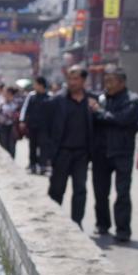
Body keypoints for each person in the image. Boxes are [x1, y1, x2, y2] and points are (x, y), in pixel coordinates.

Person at [90, 66, 138, 242]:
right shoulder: (101, 99)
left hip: (122, 152)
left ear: (121, 82)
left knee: (122, 193)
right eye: (106, 81)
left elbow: (121, 120)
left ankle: (123, 229)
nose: (107, 85)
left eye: (111, 81)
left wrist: (99, 112)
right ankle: (102, 224)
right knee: (100, 192)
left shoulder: (132, 100)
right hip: (101, 153)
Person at [48, 65, 94, 229]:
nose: (72, 82)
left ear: (83, 80)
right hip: (62, 152)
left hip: (82, 153)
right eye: (69, 78)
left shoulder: (92, 101)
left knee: (80, 189)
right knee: (56, 189)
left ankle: (77, 223)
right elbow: (47, 126)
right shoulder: (57, 100)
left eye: (76, 79)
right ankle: (54, 222)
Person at [19, 77, 52, 174]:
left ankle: (42, 165)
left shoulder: (49, 97)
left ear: (41, 85)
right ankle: (32, 164)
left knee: (44, 146)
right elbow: (25, 108)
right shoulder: (31, 96)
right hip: (32, 126)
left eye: (36, 84)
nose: (34, 86)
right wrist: (22, 120)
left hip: (45, 127)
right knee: (32, 145)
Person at [0, 87, 20, 157]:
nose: (4, 94)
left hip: (12, 127)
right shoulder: (0, 102)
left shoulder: (16, 103)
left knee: (11, 145)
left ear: (10, 93)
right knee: (3, 144)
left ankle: (11, 160)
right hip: (2, 126)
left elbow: (17, 115)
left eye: (5, 92)